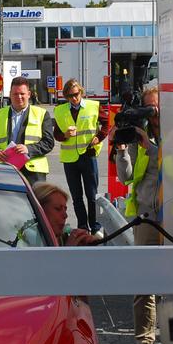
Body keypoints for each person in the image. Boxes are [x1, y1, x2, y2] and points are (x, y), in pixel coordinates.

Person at [113, 87, 161, 344]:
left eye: (156, 107)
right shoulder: (139, 132)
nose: (153, 113)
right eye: (149, 108)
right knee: (144, 279)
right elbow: (126, 177)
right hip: (146, 215)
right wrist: (122, 151)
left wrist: (150, 148)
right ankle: (144, 341)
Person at [53, 78, 109, 234]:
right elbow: (56, 134)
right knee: (77, 197)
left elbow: (106, 123)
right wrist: (64, 135)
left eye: (76, 94)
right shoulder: (60, 110)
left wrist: (99, 137)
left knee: (92, 195)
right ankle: (83, 226)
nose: (74, 98)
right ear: (66, 96)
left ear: (81, 92)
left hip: (88, 155)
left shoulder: (93, 106)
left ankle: (95, 227)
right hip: (70, 159)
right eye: (70, 96)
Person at [0, 76, 55, 185]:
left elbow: (49, 143)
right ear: (10, 94)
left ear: (29, 94)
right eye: (15, 94)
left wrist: (28, 149)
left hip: (33, 172)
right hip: (4, 169)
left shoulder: (42, 114)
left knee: (33, 201)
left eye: (22, 94)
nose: (19, 97)